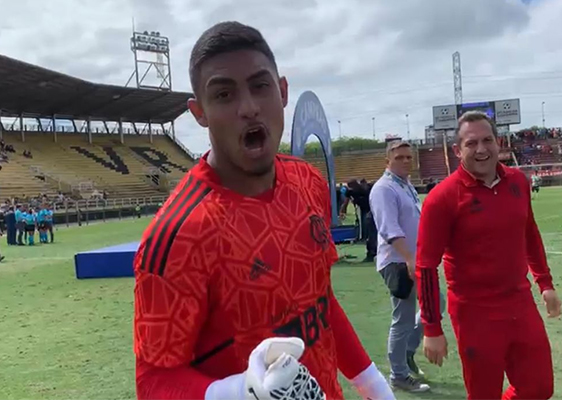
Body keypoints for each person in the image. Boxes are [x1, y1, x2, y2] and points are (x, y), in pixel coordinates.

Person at [132, 21, 396, 400]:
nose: (249, 108)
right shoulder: (178, 235)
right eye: (224, 95)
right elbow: (154, 382)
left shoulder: (306, 181)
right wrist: (239, 392)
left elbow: (319, 301)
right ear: (199, 112)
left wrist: (371, 383)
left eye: (260, 86)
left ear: (282, 91)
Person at [416, 111, 562, 400]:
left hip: (520, 302)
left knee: (539, 388)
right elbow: (426, 266)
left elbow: (529, 233)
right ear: (458, 151)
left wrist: (545, 283)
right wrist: (432, 328)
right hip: (474, 313)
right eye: (471, 143)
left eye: (487, 140)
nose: (481, 149)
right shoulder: (442, 198)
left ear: (499, 143)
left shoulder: (518, 181)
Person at [369, 141, 430, 393]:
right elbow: (389, 228)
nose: (406, 161)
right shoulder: (384, 188)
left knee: (434, 305)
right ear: (388, 161)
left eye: (408, 157)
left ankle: (406, 352)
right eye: (399, 158)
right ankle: (399, 375)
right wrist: (408, 258)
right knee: (403, 318)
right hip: (398, 261)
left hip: (414, 258)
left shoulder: (405, 185)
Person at [341, 179, 376, 262]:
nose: (351, 188)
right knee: (367, 230)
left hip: (372, 209)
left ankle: (373, 252)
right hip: (363, 209)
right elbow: (346, 202)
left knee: (372, 231)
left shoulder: (367, 189)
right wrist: (343, 210)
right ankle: (370, 252)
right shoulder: (351, 192)